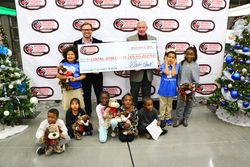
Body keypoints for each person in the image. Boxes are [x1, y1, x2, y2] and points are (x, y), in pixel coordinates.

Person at [74, 22, 103, 117]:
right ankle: (88, 114)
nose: (87, 31)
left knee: (99, 95)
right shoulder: (76, 43)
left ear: (92, 30)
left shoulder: (99, 42)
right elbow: (73, 57)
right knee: (86, 95)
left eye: (88, 29)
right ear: (81, 31)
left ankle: (101, 113)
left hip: (97, 74)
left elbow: (103, 57)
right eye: (84, 29)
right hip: (84, 75)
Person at [126, 20, 157, 108]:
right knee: (134, 95)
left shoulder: (153, 39)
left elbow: (155, 53)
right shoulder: (130, 39)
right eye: (139, 27)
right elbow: (127, 55)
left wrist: (156, 62)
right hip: (135, 72)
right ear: (136, 28)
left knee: (147, 96)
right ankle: (133, 113)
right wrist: (132, 65)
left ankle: (145, 113)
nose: (141, 29)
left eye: (143, 27)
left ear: (146, 28)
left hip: (148, 73)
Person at [173, 45, 199, 127]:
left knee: (189, 104)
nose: (189, 56)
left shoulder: (196, 66)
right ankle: (178, 118)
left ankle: (185, 118)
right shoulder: (181, 64)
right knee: (180, 104)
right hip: (182, 88)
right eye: (187, 54)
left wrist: (193, 86)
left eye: (191, 54)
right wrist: (178, 86)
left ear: (194, 55)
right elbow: (178, 76)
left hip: (191, 88)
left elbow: (197, 78)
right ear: (185, 54)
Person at [56, 45, 86, 111]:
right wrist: (66, 77)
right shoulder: (62, 64)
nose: (70, 56)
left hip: (77, 88)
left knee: (79, 107)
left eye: (72, 54)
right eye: (68, 54)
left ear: (75, 55)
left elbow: (84, 75)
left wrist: (76, 79)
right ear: (65, 55)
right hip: (66, 89)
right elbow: (58, 75)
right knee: (68, 107)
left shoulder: (79, 64)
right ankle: (69, 119)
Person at [157, 49, 179, 126]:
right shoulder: (163, 65)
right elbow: (166, 72)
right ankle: (162, 118)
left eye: (173, 57)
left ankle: (168, 118)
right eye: (169, 57)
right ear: (166, 58)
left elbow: (173, 74)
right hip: (163, 90)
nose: (171, 59)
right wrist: (166, 63)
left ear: (175, 59)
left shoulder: (177, 66)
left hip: (171, 91)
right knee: (162, 105)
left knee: (169, 106)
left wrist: (173, 65)